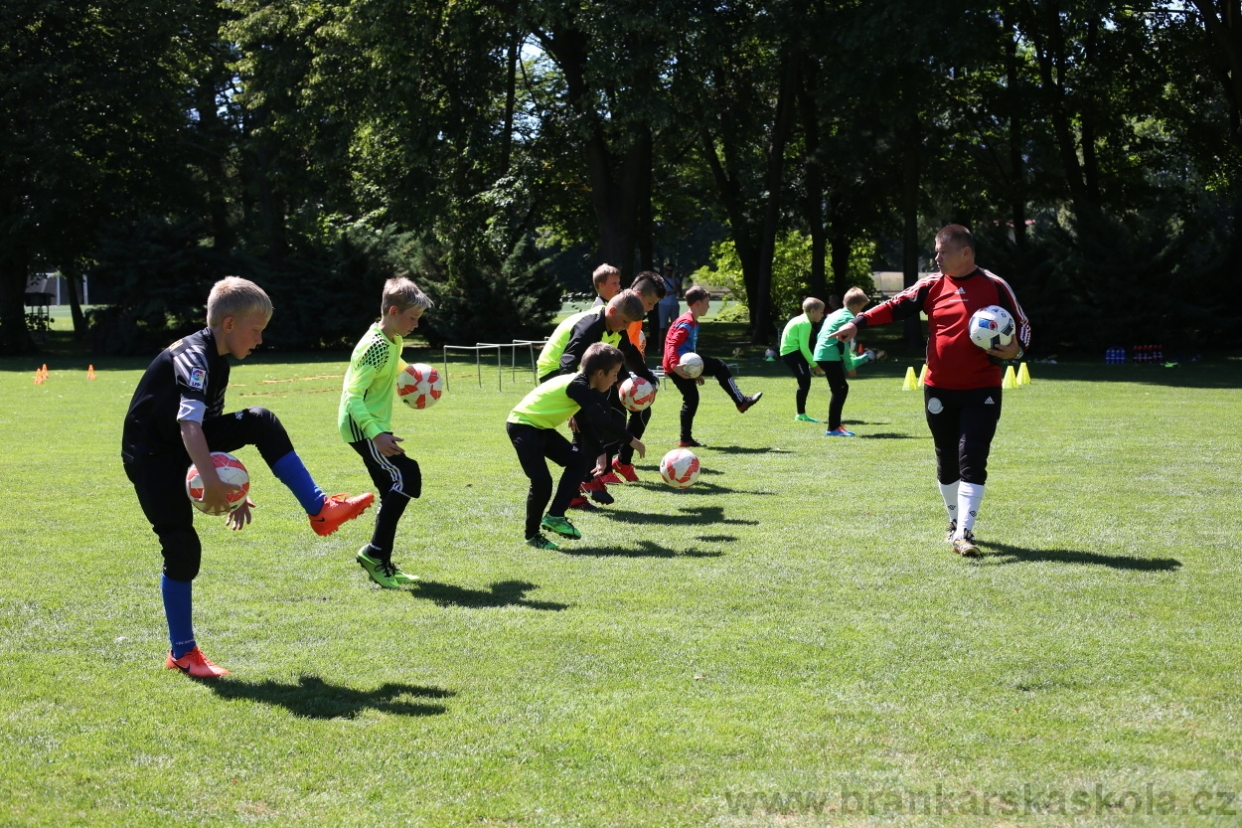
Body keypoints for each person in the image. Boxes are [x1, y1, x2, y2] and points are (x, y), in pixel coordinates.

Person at [122, 277, 375, 678]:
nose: (259, 339)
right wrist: (213, 481)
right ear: (228, 324)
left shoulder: (217, 358)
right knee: (182, 549)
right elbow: (189, 428)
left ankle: (321, 508)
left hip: (181, 444)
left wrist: (229, 488)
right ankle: (182, 653)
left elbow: (203, 428)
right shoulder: (195, 357)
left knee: (260, 420)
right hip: (152, 457)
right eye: (255, 330)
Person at [832, 225, 1030, 556]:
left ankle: (965, 531)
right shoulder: (932, 285)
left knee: (973, 455)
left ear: (966, 253)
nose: (936, 257)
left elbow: (1022, 323)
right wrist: (858, 322)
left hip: (982, 388)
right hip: (938, 389)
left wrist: (1016, 350)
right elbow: (895, 305)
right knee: (946, 457)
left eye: (943, 251)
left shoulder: (994, 286)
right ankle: (954, 523)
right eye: (936, 251)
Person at [338, 276, 435, 589]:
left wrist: (418, 378)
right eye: (413, 318)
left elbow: (395, 366)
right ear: (393, 311)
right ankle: (374, 552)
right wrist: (376, 434)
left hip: (374, 425)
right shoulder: (376, 346)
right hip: (363, 426)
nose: (416, 325)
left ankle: (382, 561)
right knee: (408, 476)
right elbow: (353, 396)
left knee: (393, 486)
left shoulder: (392, 340)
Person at [507, 343, 646, 550]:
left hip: (539, 428)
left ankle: (555, 516)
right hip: (522, 426)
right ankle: (533, 534)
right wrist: (632, 439)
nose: (616, 379)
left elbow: (584, 423)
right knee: (542, 481)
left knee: (578, 462)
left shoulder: (582, 386)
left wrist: (600, 453)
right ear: (600, 373)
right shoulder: (577, 385)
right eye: (615, 374)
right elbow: (600, 419)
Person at [535, 289, 655, 505]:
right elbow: (567, 362)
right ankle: (584, 480)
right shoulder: (590, 326)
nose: (626, 327)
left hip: (583, 375)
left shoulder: (616, 327)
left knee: (614, 418)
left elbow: (630, 355)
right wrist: (574, 404)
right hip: (556, 373)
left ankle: (582, 480)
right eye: (625, 321)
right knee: (594, 417)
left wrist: (649, 381)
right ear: (612, 310)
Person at [663, 285, 763, 448]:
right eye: (707, 303)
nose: (709, 306)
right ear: (697, 304)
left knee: (692, 398)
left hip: (682, 364)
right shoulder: (687, 321)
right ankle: (741, 401)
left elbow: (687, 349)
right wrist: (676, 366)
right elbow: (672, 344)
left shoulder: (693, 321)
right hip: (677, 366)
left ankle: (685, 439)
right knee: (719, 366)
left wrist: (696, 371)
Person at [814, 287, 884, 437]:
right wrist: (850, 367)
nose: (861, 312)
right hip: (829, 355)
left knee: (839, 389)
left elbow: (821, 334)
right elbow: (842, 345)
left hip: (823, 353)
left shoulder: (836, 314)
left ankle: (836, 425)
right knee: (840, 389)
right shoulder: (847, 318)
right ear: (854, 306)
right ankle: (833, 428)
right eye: (861, 308)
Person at [779, 297, 826, 422]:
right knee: (804, 382)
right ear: (813, 311)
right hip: (793, 353)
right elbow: (804, 347)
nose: (823, 314)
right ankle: (800, 415)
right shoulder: (805, 323)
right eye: (821, 312)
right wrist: (814, 365)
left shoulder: (800, 319)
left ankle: (801, 414)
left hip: (791, 353)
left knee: (805, 381)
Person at [657, 264, 681, 349]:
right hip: (664, 305)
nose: (669, 272)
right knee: (662, 327)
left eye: (671, 271)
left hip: (674, 305)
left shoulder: (676, 280)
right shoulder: (661, 280)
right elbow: (663, 293)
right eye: (667, 270)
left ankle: (674, 346)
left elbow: (678, 291)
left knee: (675, 327)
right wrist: (672, 292)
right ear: (665, 270)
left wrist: (674, 278)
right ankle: (660, 347)